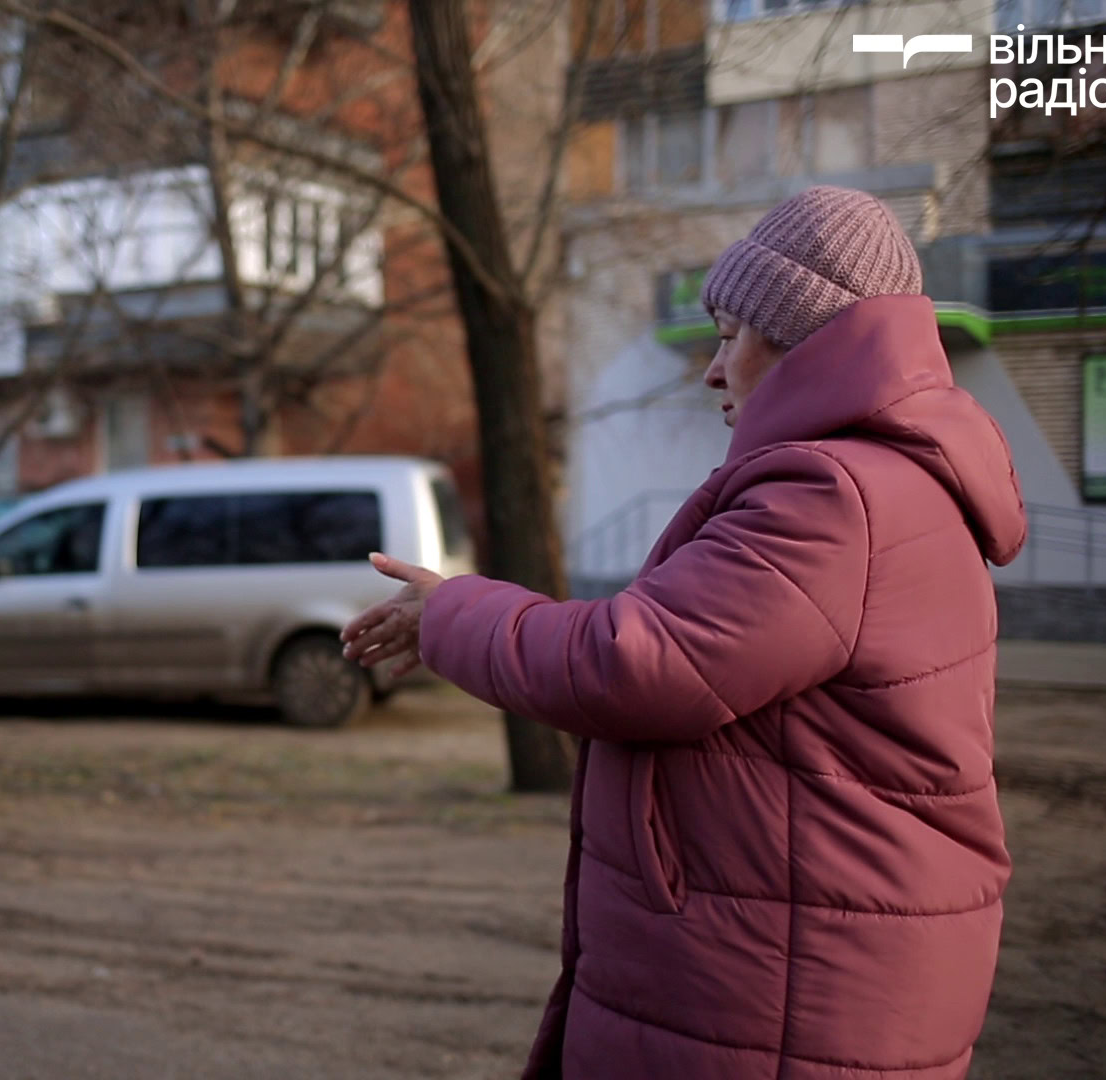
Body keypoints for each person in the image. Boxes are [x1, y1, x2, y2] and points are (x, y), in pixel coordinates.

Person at [343, 186, 1027, 1078]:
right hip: (806, 959)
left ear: (799, 337)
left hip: (790, 989)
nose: (713, 368)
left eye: (731, 335)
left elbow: (638, 665)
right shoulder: (882, 484)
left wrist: (452, 613)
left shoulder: (833, 499)